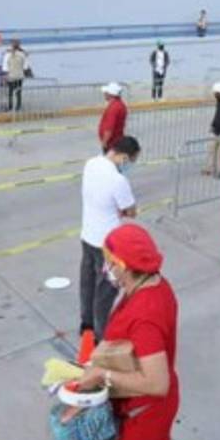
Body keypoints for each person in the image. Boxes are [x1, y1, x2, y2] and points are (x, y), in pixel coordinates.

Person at [75, 224, 180, 440]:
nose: (106, 268)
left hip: (140, 418)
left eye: (110, 262)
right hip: (156, 413)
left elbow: (156, 383)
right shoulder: (152, 284)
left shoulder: (145, 315)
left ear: (124, 264)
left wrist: (102, 376)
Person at [79, 136, 141, 340]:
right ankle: (101, 336)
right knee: (105, 291)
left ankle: (86, 323)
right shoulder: (118, 180)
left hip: (87, 235)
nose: (129, 166)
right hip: (108, 245)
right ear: (123, 157)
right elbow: (130, 211)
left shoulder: (91, 163)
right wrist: (124, 210)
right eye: (130, 161)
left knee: (87, 282)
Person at [99, 82, 128, 152]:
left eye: (106, 93)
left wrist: (104, 142)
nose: (104, 94)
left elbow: (109, 128)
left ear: (110, 94)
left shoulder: (113, 108)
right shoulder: (120, 104)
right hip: (117, 140)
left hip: (112, 143)